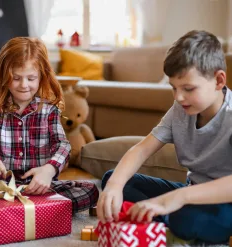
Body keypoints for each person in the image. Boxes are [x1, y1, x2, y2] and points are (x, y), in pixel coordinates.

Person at [97, 30, 232, 244]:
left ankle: (166, 219)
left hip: (224, 203)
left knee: (186, 218)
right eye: (173, 88)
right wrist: (115, 185)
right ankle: (163, 218)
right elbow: (142, 149)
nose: (179, 97)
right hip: (190, 192)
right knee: (115, 180)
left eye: (188, 88)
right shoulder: (180, 109)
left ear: (218, 80)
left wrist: (177, 198)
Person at [0, 37, 98, 213]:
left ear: (41, 77)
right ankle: (35, 211)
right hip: (1, 186)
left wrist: (49, 170)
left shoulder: (49, 109)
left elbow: (63, 146)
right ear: (5, 76)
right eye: (16, 78)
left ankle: (14, 210)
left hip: (40, 187)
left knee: (89, 191)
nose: (23, 85)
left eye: (31, 78)